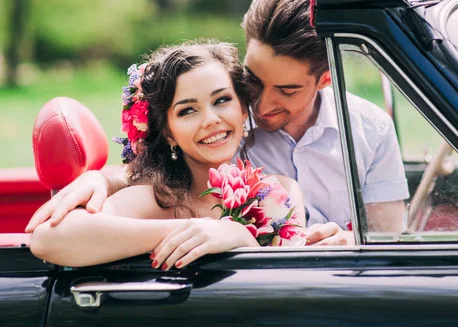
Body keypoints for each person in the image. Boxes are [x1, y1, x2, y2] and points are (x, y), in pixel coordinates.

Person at [26, 0, 408, 246]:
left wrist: (352, 242)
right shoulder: (228, 117)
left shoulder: (368, 131)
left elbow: (390, 238)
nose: (260, 104)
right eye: (253, 81)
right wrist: (101, 181)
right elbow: (160, 170)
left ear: (325, 79)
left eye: (287, 90)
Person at [28, 41, 305, 269]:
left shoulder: (279, 191)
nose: (210, 120)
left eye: (222, 100)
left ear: (243, 110)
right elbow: (48, 239)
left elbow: (301, 286)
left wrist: (239, 237)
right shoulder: (157, 198)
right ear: (169, 132)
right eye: (187, 110)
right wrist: (196, 229)